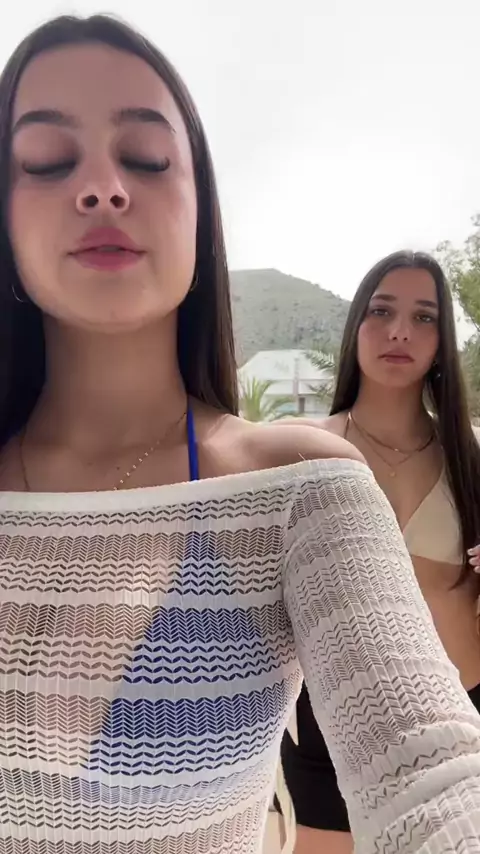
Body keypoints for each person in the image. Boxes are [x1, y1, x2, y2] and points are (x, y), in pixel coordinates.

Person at [2, 17, 480, 854]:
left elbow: (430, 771)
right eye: (45, 160)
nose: (103, 187)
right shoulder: (322, 432)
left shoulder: (304, 485)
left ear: (203, 215)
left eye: (147, 158)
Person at [273, 250, 480, 853]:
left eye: (424, 317)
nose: (399, 332)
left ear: (442, 341)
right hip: (329, 721)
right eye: (382, 311)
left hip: (462, 720)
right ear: (356, 326)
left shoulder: (471, 457)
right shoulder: (296, 450)